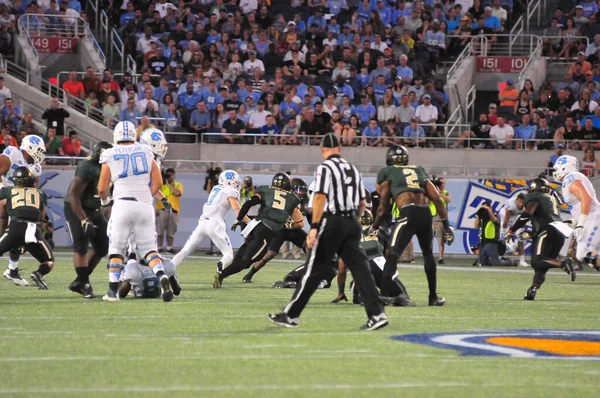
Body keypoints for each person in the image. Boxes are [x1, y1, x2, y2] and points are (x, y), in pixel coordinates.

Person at [270, 134, 388, 331]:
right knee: (360, 269)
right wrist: (352, 220)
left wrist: (314, 227)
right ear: (340, 148)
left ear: (322, 149)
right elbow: (362, 203)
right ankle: (377, 314)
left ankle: (291, 315)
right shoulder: (352, 170)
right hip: (352, 222)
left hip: (333, 221)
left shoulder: (325, 168)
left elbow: (319, 198)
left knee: (312, 269)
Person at [97, 121, 173, 302]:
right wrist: (148, 197)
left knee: (116, 248)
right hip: (144, 205)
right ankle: (161, 274)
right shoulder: (146, 151)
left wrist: (105, 200)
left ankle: (112, 292)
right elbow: (158, 182)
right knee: (149, 249)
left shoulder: (109, 153)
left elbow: (101, 188)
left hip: (122, 204)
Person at [374, 145, 451, 306]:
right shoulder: (418, 170)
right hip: (425, 214)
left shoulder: (387, 172)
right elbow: (436, 198)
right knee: (428, 254)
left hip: (407, 213)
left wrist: (375, 225)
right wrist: (446, 224)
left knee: (393, 254)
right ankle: (433, 297)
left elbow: (383, 206)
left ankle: (383, 295)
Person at [215, 172, 304, 287]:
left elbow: (248, 203)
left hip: (254, 226)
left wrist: (239, 218)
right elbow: (300, 223)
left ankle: (223, 274)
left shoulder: (264, 190)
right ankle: (222, 275)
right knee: (247, 261)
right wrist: (288, 226)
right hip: (266, 231)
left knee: (244, 251)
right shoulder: (292, 199)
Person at [505, 178, 575, 300]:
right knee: (543, 264)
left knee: (537, 262)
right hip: (560, 231)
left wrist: (512, 230)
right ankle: (533, 289)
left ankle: (563, 263)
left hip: (547, 230)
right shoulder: (551, 199)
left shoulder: (535, 198)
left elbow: (527, 214)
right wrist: (532, 233)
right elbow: (545, 217)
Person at [332, 210, 415, 307]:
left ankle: (367, 297)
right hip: (378, 263)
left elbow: (342, 269)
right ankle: (391, 297)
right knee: (403, 295)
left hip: (362, 271)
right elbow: (390, 253)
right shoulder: (380, 230)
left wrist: (341, 293)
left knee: (357, 291)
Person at [172, 170, 249, 273]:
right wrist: (251, 222)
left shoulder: (216, 188)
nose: (237, 184)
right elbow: (238, 212)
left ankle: (169, 267)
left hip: (202, 223)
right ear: (230, 182)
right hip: (215, 224)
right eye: (235, 181)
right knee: (228, 254)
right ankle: (221, 264)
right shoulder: (231, 192)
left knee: (185, 250)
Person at [64, 141, 112, 299]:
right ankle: (85, 284)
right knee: (81, 245)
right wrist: (84, 220)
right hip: (76, 207)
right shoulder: (88, 166)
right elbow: (73, 195)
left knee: (102, 248)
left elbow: (105, 198)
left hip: (94, 208)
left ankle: (79, 280)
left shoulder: (113, 167)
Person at [242, 178, 309, 283]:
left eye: (303, 191)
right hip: (280, 230)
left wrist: (290, 224)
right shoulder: (284, 197)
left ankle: (313, 268)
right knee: (270, 254)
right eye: (299, 190)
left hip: (293, 228)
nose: (301, 194)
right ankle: (250, 274)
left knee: (309, 245)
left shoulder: (302, 200)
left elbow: (301, 220)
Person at [0, 135, 45, 286]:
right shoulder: (13, 152)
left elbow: (33, 190)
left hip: (17, 202)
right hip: (4, 194)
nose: (40, 154)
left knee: (18, 234)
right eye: (38, 150)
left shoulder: (36, 167)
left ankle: (12, 269)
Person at [0, 167, 54, 289]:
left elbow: (3, 213)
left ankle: (12, 269)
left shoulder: (7, 191)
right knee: (49, 261)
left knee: (12, 242)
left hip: (14, 228)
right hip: (33, 230)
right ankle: (38, 273)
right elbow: (42, 217)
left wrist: (3, 232)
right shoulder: (40, 193)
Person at [553, 155, 600, 270]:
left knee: (583, 253)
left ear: (564, 167)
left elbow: (586, 199)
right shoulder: (573, 178)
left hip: (593, 218)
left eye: (558, 168)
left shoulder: (571, 178)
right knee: (590, 255)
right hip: (592, 217)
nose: (556, 171)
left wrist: (581, 223)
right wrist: (575, 220)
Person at [475, 201, 513, 266]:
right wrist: (479, 214)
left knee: (496, 263)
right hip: (483, 243)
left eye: (486, 208)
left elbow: (495, 220)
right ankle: (491, 261)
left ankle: (509, 262)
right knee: (483, 263)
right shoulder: (482, 217)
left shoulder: (495, 215)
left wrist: (488, 210)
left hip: (492, 243)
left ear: (490, 208)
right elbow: (476, 226)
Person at [156, 168, 183, 254]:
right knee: (160, 230)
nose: (169, 177)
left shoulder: (177, 184)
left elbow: (178, 193)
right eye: (167, 175)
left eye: (170, 175)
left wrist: (168, 184)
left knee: (171, 231)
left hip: (173, 211)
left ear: (174, 175)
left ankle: (169, 248)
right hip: (162, 210)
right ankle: (159, 247)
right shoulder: (161, 185)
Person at [500, 192, 528, 267]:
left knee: (521, 237)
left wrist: (522, 229)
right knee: (502, 238)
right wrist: (504, 230)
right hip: (504, 217)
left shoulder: (527, 207)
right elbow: (506, 219)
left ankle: (522, 260)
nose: (521, 204)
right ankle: (500, 256)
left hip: (515, 217)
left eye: (523, 202)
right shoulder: (511, 204)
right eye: (519, 202)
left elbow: (524, 218)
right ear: (516, 200)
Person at [430, 177, 451, 264]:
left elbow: (448, 199)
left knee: (441, 240)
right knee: (429, 240)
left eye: (443, 183)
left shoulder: (445, 193)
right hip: (431, 219)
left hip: (440, 220)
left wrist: (440, 193)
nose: (441, 184)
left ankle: (440, 258)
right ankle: (429, 256)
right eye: (440, 183)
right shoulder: (431, 192)